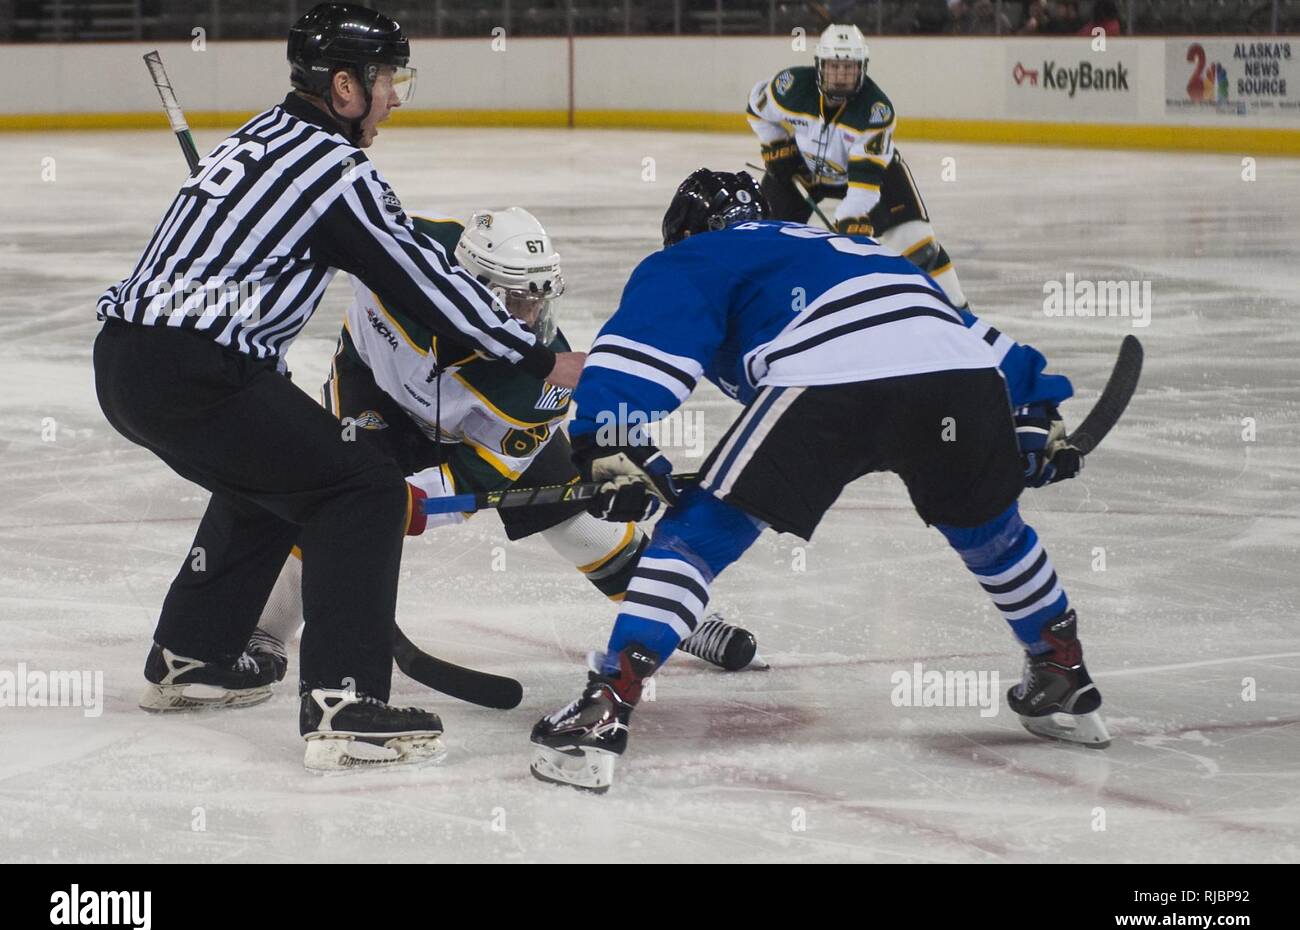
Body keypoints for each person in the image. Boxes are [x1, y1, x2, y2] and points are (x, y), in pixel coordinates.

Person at [92, 3, 582, 772]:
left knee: (269, 481)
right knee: (364, 489)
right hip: (194, 369)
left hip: (129, 364)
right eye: (388, 82)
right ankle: (346, 705)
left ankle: (192, 656)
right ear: (344, 86)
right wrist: (539, 355)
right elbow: (425, 280)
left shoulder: (260, 136)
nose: (394, 98)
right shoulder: (335, 171)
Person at [529, 170, 1107, 794]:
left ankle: (605, 707)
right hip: (959, 379)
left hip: (828, 374)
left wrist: (607, 437)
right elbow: (972, 336)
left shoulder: (704, 251)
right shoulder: (865, 251)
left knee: (699, 535)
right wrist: (1033, 416)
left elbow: (644, 349)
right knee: (991, 532)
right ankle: (1060, 674)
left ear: (686, 232)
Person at [250, 208, 762, 675]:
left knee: (575, 523)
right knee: (340, 503)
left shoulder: (538, 384)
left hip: (476, 434)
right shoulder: (409, 255)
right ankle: (265, 631)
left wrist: (414, 503)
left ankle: (676, 616)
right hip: (374, 392)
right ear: (472, 288)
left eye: (538, 301)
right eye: (516, 301)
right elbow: (334, 227)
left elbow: (480, 475)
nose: (530, 318)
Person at [747, 23, 969, 309]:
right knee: (760, 241)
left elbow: (864, 184)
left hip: (870, 177)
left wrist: (848, 217)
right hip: (805, 172)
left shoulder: (876, 111)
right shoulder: (790, 86)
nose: (840, 76)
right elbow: (757, 109)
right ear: (818, 66)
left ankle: (961, 314)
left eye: (848, 68)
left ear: (862, 69)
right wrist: (775, 144)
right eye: (833, 67)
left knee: (920, 248)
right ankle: (758, 311)